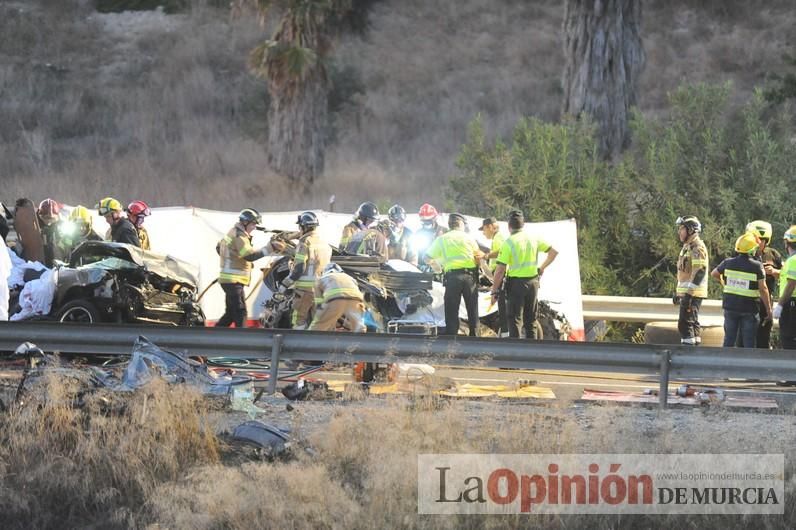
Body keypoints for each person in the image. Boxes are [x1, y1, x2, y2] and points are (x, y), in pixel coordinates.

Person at [490, 211, 558, 339]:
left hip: (516, 285)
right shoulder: (534, 239)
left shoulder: (509, 243)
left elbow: (500, 270)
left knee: (515, 320)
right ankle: (531, 353)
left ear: (509, 226)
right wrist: (541, 268)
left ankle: (516, 353)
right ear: (523, 224)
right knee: (530, 320)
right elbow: (553, 252)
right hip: (533, 283)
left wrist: (494, 292)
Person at [425, 212, 484, 336]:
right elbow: (479, 258)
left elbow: (427, 257)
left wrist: (437, 268)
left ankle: (451, 342)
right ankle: (476, 339)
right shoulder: (469, 238)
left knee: (452, 311)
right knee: (472, 310)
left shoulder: (442, 239)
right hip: (470, 278)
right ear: (461, 224)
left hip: (452, 278)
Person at [710, 232, 771, 348]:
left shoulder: (728, 262)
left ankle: (727, 364)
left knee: (729, 340)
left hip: (730, 307)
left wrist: (725, 284)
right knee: (749, 343)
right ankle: (747, 365)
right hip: (750, 309)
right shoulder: (757, 266)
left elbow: (714, 274)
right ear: (752, 249)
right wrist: (768, 310)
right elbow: (763, 289)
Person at [216, 208, 270, 327]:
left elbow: (219, 248)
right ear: (245, 223)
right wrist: (269, 249)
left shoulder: (232, 232)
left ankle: (212, 337)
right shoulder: (239, 236)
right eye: (253, 224)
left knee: (230, 313)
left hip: (229, 280)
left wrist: (234, 260)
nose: (254, 227)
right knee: (240, 312)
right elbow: (250, 255)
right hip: (233, 281)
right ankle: (243, 339)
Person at [282, 211, 332, 330]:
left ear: (303, 227)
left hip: (305, 291)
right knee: (317, 322)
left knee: (298, 320)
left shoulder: (304, 243)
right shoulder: (325, 244)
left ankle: (297, 346)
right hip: (321, 290)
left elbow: (299, 269)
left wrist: (285, 284)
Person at [745, 220, 782, 349]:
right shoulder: (744, 252)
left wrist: (774, 271)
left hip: (766, 300)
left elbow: (786, 274)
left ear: (765, 240)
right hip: (748, 300)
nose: (756, 241)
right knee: (745, 337)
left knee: (763, 335)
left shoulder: (773, 254)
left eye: (759, 239)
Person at [674, 215, 708, 345]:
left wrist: (688, 294)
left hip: (693, 294)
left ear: (690, 230)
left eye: (682, 229)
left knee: (685, 324)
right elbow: (684, 274)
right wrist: (678, 293)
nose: (679, 232)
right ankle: (694, 353)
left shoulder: (697, 247)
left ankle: (688, 356)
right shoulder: (687, 247)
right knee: (691, 323)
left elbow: (699, 271)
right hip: (687, 293)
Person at [308, 263, 365, 332]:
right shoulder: (350, 278)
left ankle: (309, 340)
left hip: (335, 299)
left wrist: (319, 316)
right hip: (356, 300)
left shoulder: (321, 279)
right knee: (357, 325)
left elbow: (319, 303)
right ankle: (360, 340)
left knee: (319, 325)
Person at [480, 216, 507, 335]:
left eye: (484, 230)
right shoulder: (497, 238)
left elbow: (501, 252)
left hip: (500, 275)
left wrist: (486, 256)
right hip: (498, 275)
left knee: (502, 309)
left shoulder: (498, 238)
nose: (483, 233)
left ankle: (505, 335)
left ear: (490, 227)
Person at [773, 226, 796, 350]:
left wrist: (780, 305)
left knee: (789, 339)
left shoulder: (793, 261)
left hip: (791, 304)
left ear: (787, 243)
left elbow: (791, 284)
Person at [412, 203, 447, 267]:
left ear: (435, 219)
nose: (426, 223)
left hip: (441, 266)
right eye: (423, 221)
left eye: (428, 221)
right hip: (423, 265)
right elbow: (415, 253)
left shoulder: (444, 231)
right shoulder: (419, 233)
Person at [37, 198, 62, 267]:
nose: (49, 222)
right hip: (38, 261)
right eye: (46, 218)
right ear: (40, 216)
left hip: (58, 260)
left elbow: (68, 244)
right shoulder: (34, 225)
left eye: (52, 219)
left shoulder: (61, 225)